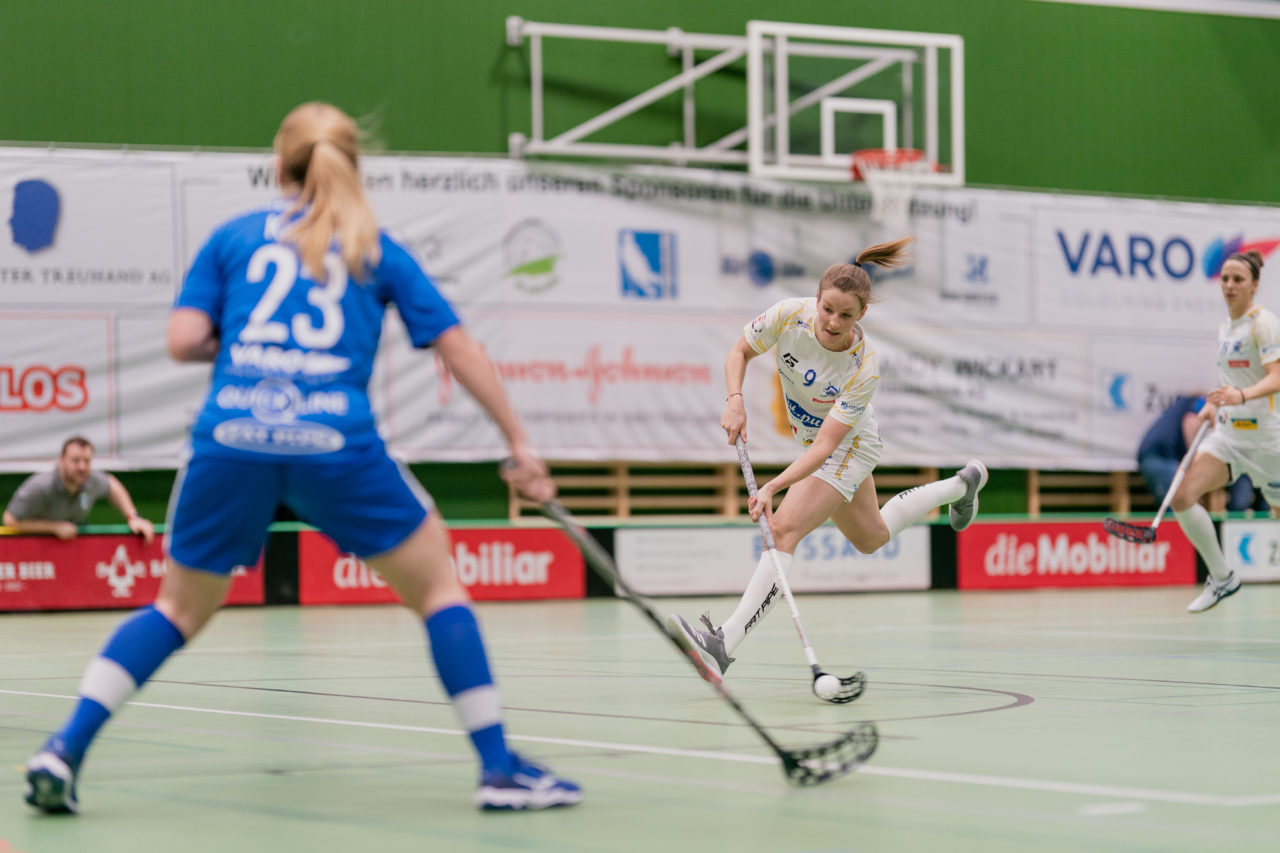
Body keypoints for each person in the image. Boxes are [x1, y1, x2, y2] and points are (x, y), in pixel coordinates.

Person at [24, 102, 579, 815]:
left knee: (178, 608)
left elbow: (183, 339)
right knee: (438, 587)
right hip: (335, 444)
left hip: (231, 440)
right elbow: (460, 346)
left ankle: (63, 750)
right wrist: (520, 447)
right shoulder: (374, 247)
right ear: (353, 165)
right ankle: (498, 768)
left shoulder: (232, 238)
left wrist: (244, 348)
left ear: (277, 167)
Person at [664, 238, 987, 684]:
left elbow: (823, 450)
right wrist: (734, 399)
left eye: (846, 315)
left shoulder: (863, 366)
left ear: (861, 317)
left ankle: (723, 643)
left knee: (781, 531)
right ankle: (963, 485)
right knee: (870, 537)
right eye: (827, 309)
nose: (833, 322)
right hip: (818, 443)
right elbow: (738, 351)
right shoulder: (787, 315)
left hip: (846, 446)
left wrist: (773, 487)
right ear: (816, 300)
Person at [1173, 249, 1280, 613]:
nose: (1230, 286)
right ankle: (1222, 577)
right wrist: (1215, 404)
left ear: (1254, 285)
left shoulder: (1262, 322)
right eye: (1225, 279)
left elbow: (1277, 377)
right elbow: (1232, 378)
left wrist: (1241, 395)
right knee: (1183, 496)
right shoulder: (1226, 327)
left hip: (1269, 441)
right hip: (1231, 437)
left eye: (1238, 279)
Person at [3, 436, 156, 545]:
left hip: (69, 547)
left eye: (87, 461)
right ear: (62, 460)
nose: (82, 467)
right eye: (75, 461)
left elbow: (112, 484)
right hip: (31, 550)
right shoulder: (39, 487)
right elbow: (9, 520)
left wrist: (133, 517)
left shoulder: (91, 480)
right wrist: (53, 528)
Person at [1137, 395, 1263, 513]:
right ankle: (1181, 534)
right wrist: (1195, 463)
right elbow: (1191, 422)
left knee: (1184, 504)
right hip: (1159, 456)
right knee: (1181, 504)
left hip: (1158, 456)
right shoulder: (1200, 401)